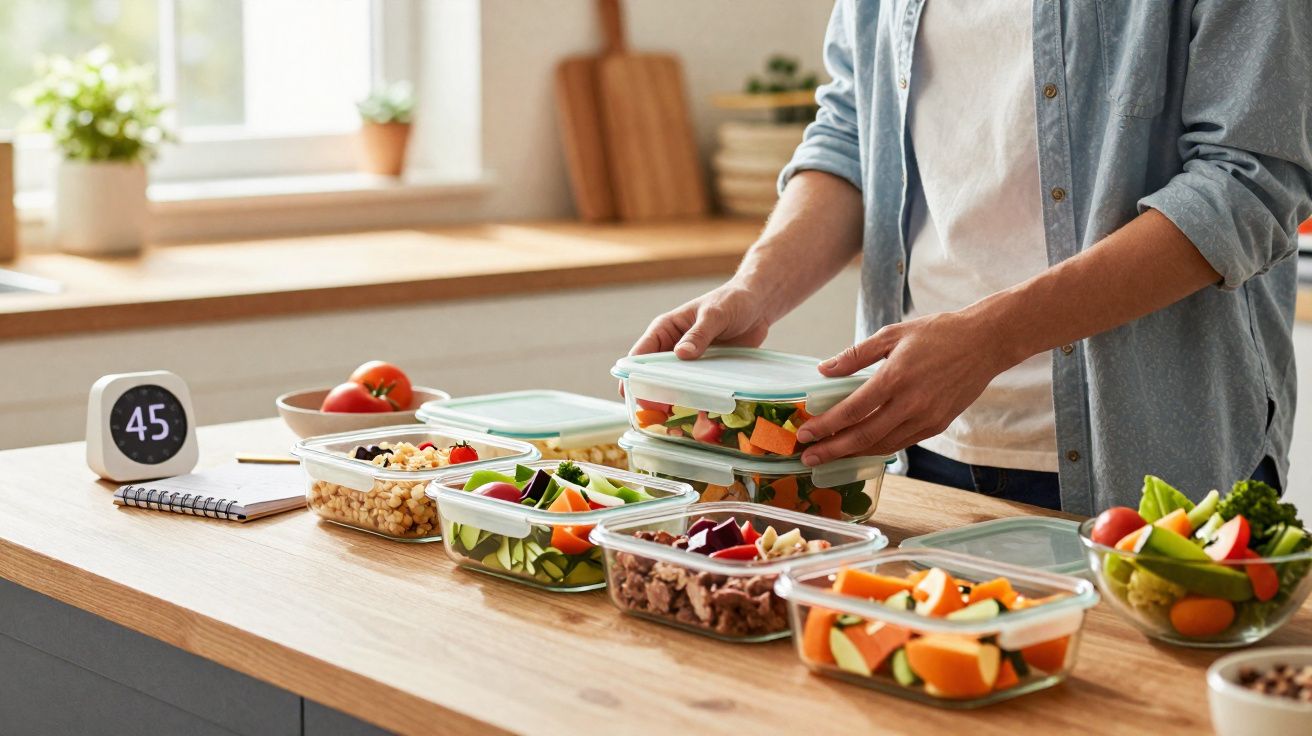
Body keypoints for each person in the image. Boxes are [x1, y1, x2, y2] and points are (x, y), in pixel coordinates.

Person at [630, 1, 1312, 514]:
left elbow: (1249, 182)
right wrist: (757, 288)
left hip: (1155, 458)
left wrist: (991, 340)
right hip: (911, 447)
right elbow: (852, 134)